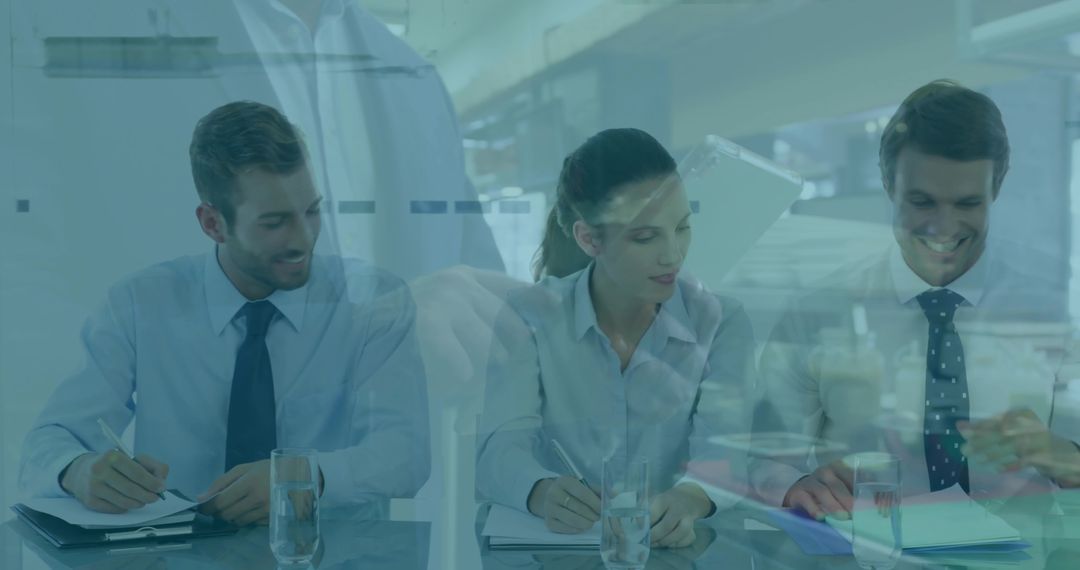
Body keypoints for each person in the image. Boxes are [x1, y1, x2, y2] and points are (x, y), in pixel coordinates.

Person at [18, 101, 430, 525]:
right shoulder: (141, 305)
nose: (303, 238)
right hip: (177, 553)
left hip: (329, 554)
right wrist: (78, 470)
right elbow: (49, 441)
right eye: (275, 223)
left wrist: (306, 476)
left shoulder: (373, 302)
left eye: (311, 211)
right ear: (213, 224)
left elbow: (407, 455)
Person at [749, 80, 1080, 521]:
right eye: (922, 202)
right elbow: (762, 457)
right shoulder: (817, 314)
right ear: (888, 184)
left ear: (996, 188)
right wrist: (794, 485)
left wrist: (1060, 453)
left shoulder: (1053, 312)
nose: (943, 226)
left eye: (967, 203)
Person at [476, 128, 756, 549]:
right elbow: (500, 448)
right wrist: (541, 491)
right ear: (589, 239)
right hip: (557, 556)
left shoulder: (721, 322)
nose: (672, 254)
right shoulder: (529, 315)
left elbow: (726, 454)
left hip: (674, 555)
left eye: (681, 227)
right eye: (645, 237)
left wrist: (689, 498)